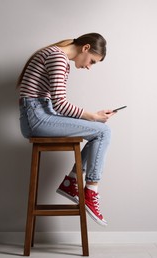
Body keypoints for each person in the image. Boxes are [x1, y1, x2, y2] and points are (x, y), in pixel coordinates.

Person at [17, 33, 115, 226]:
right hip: (37, 117)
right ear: (85, 48)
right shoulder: (58, 57)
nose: (88, 66)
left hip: (40, 114)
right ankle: (90, 191)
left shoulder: (56, 55)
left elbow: (56, 105)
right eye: (92, 62)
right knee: (103, 131)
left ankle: (72, 182)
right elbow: (60, 104)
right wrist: (93, 117)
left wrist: (94, 118)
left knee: (99, 130)